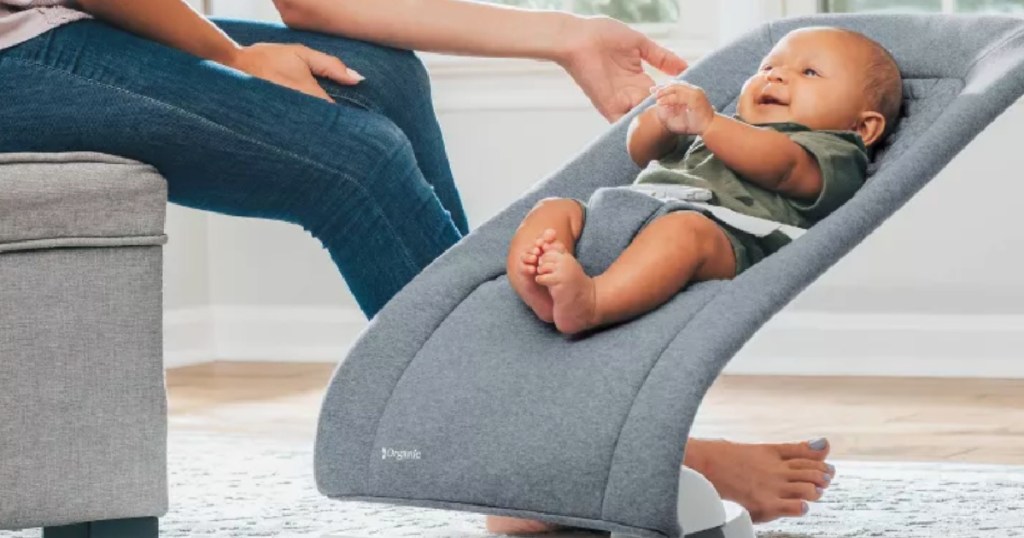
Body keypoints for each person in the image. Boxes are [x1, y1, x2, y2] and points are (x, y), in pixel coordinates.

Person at [0, 0, 838, 528]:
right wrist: (230, 57)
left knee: (382, 82)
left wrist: (566, 36)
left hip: (58, 23)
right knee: (351, 159)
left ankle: (518, 464)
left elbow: (316, 2)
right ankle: (588, 449)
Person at [501, 26, 902, 529]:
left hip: (726, 234)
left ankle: (593, 300)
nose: (776, 75)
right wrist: (662, 119)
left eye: (809, 72)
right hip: (628, 215)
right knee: (552, 208)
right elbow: (642, 153)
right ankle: (541, 290)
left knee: (684, 234)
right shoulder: (715, 129)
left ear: (864, 127)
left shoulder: (831, 149)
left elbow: (780, 169)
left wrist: (710, 123)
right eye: (768, 67)